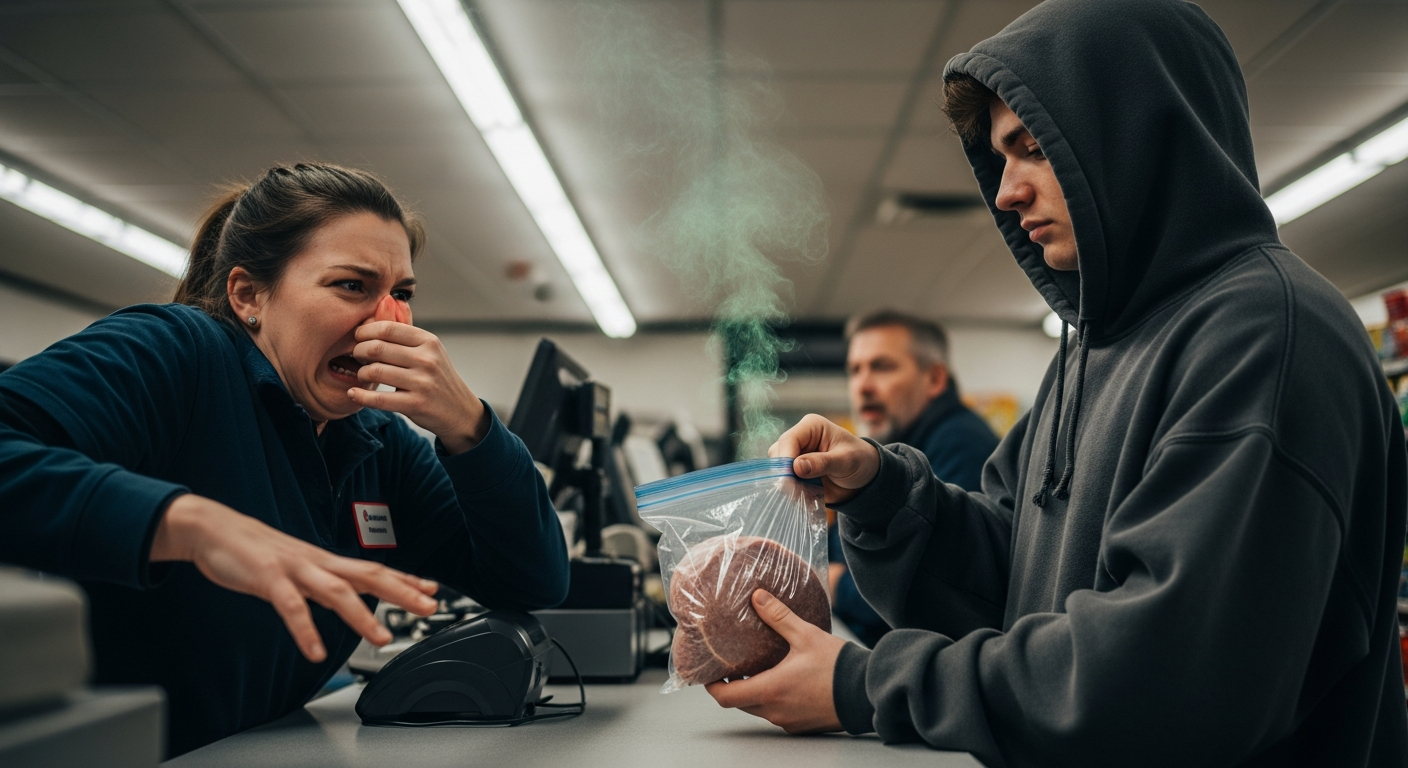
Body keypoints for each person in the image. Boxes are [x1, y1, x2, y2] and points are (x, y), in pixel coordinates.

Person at [704, 1, 1408, 765]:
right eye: (1000, 157)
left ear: (1137, 135)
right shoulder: (1093, 347)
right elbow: (1013, 580)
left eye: (1033, 148)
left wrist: (869, 685)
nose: (1006, 191)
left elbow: (1169, 682)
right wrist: (879, 490)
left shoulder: (1266, 336)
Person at [0, 163, 570, 756]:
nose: (388, 320)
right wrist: (189, 524)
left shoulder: (377, 439)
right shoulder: (176, 350)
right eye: (352, 285)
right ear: (248, 294)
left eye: (401, 293)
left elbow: (533, 580)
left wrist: (470, 427)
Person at [830, 309, 997, 646]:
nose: (862, 386)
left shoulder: (960, 445)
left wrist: (838, 587)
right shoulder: (902, 445)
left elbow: (939, 583)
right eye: (854, 370)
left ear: (934, 379)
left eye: (881, 367)